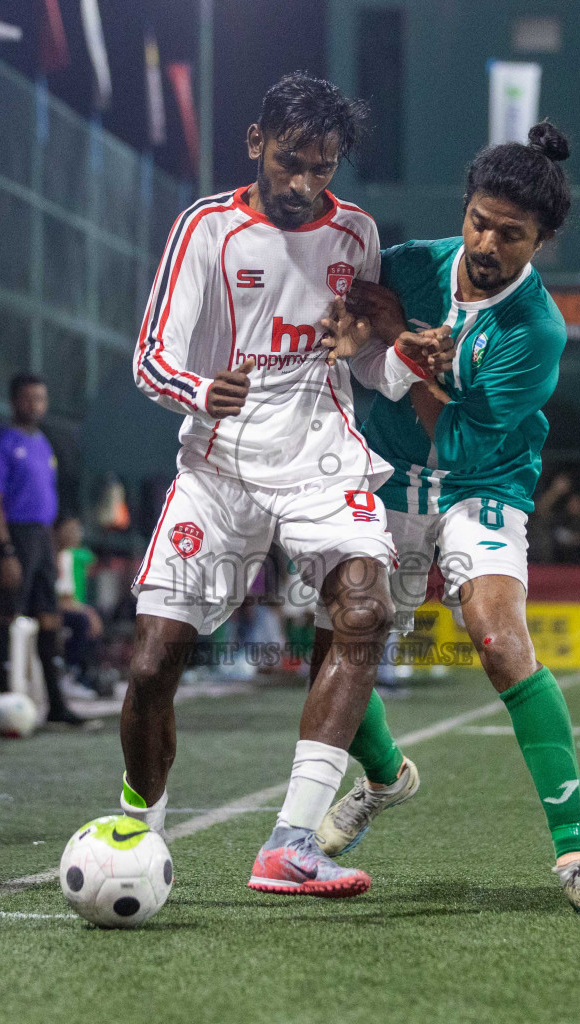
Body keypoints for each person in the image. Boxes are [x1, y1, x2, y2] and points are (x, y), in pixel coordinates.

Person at [318, 121, 580, 917]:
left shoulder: (536, 331)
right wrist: (357, 330)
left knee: (497, 636)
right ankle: (386, 776)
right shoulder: (409, 266)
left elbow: (456, 435)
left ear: (543, 241)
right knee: (333, 648)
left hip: (479, 482)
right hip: (382, 479)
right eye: (479, 221)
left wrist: (391, 336)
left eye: (512, 234)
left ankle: (576, 856)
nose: (488, 242)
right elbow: (341, 327)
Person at [119, 73, 401, 899]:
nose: (303, 183)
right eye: (288, 162)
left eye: (321, 167)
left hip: (320, 454)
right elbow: (149, 358)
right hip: (220, 465)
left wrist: (401, 355)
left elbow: (366, 357)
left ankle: (291, 843)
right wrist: (203, 390)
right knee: (150, 667)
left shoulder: (357, 233)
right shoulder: (206, 228)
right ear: (255, 143)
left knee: (366, 609)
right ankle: (140, 829)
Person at [0, 374, 88, 726]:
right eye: (29, 399)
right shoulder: (3, 441)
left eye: (41, 399)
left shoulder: (43, 442)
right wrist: (6, 549)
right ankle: (4, 700)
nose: (36, 406)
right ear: (14, 401)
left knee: (50, 618)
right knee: (7, 615)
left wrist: (55, 542)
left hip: (43, 538)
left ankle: (56, 705)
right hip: (15, 536)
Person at [55, 517, 107, 696]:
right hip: (53, 610)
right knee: (83, 621)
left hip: (71, 607)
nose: (74, 534)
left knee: (91, 619)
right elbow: (63, 600)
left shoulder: (76, 555)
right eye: (69, 529)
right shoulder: (63, 556)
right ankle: (70, 674)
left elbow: (92, 563)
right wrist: (88, 613)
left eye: (77, 530)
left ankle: (87, 676)